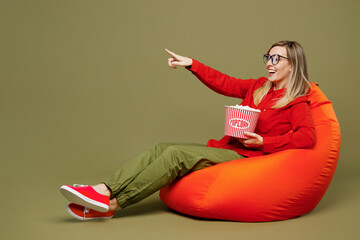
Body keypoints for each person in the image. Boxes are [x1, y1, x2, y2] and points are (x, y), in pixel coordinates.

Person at [60, 40, 316, 221]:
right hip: (230, 148)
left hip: (251, 158)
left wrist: (264, 142)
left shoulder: (297, 101)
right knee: (161, 147)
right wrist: (191, 64)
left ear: (292, 65)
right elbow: (224, 82)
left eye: (276, 59)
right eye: (267, 57)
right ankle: (104, 189)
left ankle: (112, 203)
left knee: (176, 155)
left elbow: (307, 137)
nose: (269, 63)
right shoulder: (259, 86)